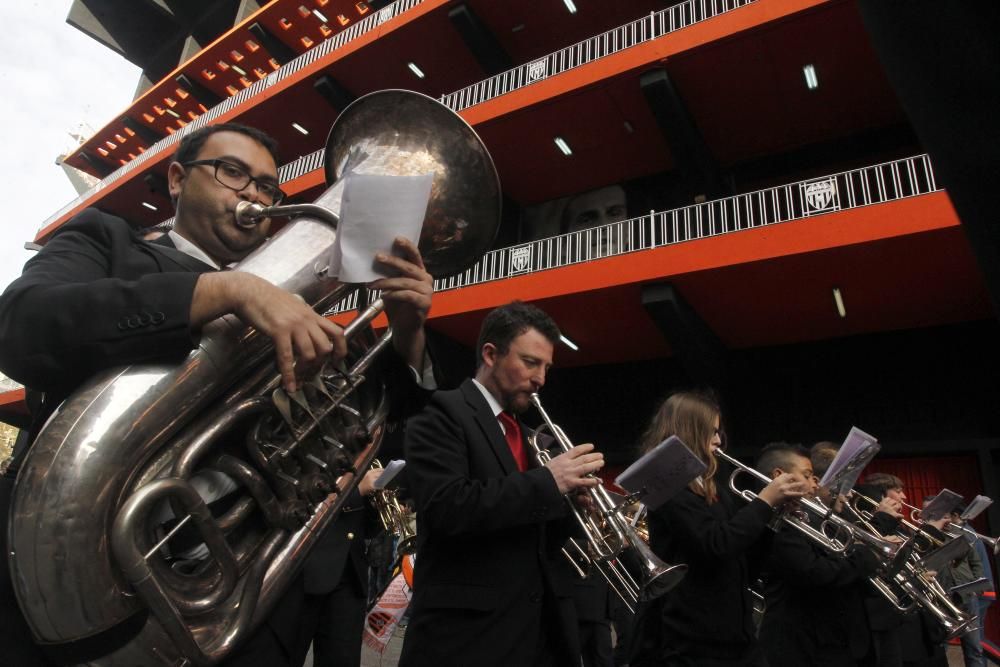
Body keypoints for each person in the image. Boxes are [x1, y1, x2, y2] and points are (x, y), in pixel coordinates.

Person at [0, 122, 434, 666]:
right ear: (179, 179)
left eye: (268, 188)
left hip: (235, 599)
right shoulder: (106, 239)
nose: (253, 194)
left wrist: (408, 327)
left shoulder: (301, 306)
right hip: (65, 577)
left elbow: (373, 421)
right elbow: (20, 326)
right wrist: (223, 289)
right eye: (232, 173)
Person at [399, 301, 604, 667]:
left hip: (536, 636)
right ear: (490, 354)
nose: (541, 378)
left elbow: (532, 537)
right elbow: (447, 507)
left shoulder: (528, 435)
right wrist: (549, 482)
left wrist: (572, 510)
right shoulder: (441, 413)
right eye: (530, 362)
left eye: (546, 367)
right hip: (468, 641)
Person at [632, 392, 808, 667]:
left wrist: (774, 519)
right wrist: (764, 501)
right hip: (693, 641)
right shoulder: (669, 488)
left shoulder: (715, 490)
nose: (718, 440)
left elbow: (745, 564)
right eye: (712, 431)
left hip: (736, 636)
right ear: (690, 430)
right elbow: (715, 545)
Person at [757, 442, 880, 667]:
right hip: (804, 646)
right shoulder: (778, 522)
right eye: (808, 474)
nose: (816, 481)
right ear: (779, 475)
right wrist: (864, 557)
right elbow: (814, 572)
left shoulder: (809, 518)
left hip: (835, 639)